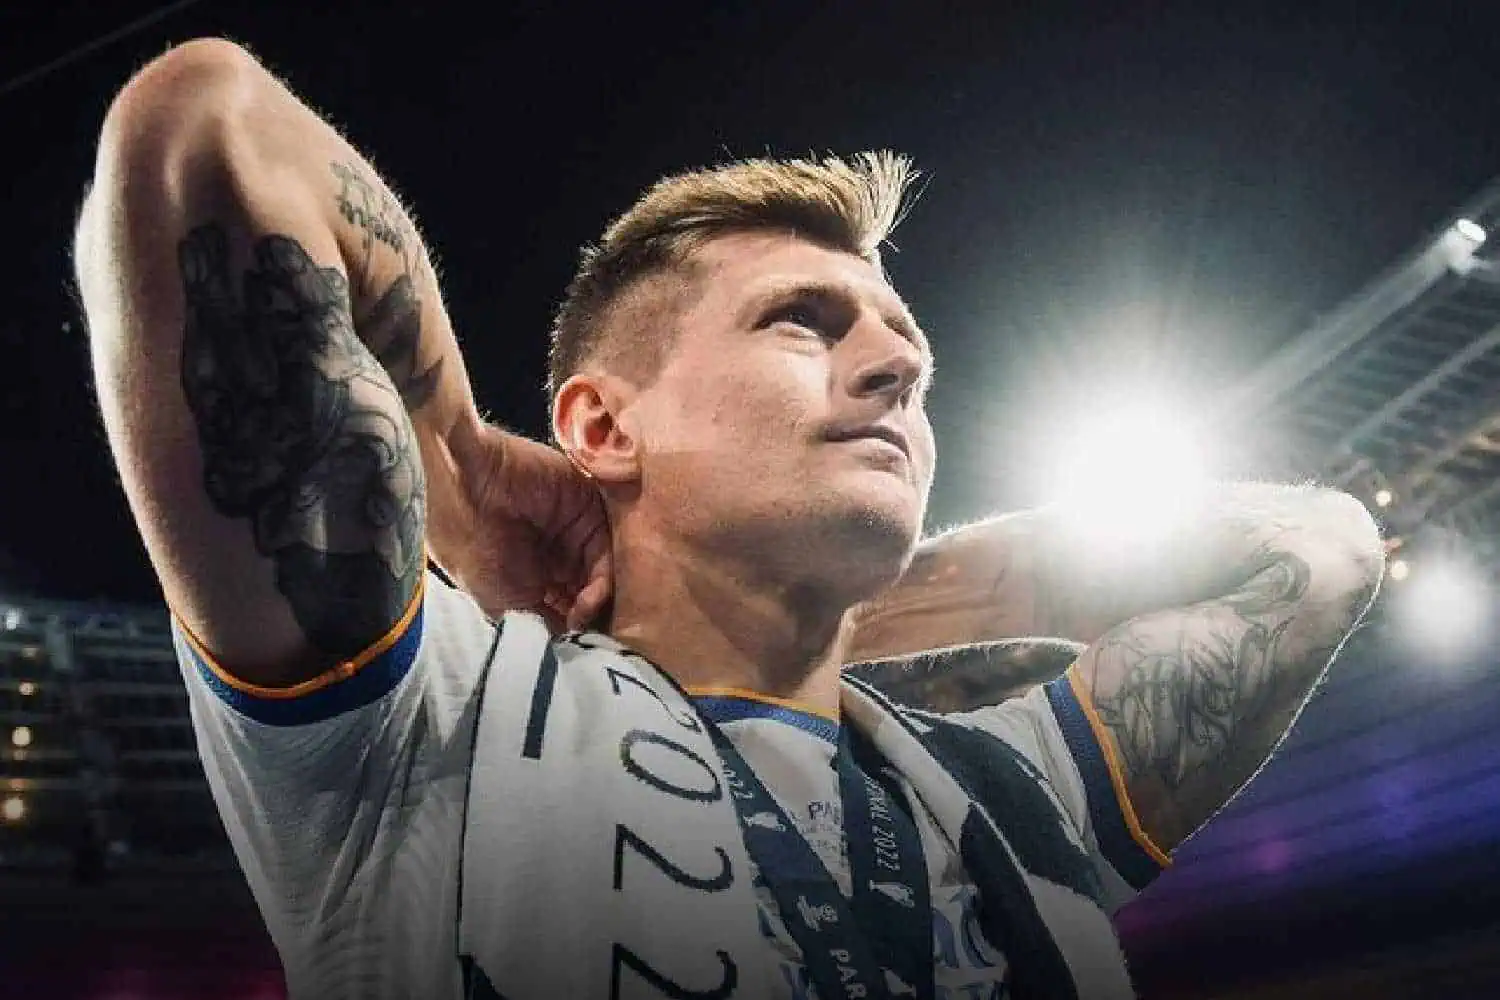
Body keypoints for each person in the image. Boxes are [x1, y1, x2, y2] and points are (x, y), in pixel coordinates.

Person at [73, 38, 1385, 1000]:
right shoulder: (433, 719)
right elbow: (203, 129)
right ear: (602, 427)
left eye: (908, 351)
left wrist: (876, 604)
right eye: (803, 323)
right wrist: (461, 474)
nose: (896, 366)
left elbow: (1321, 555)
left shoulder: (1000, 792)